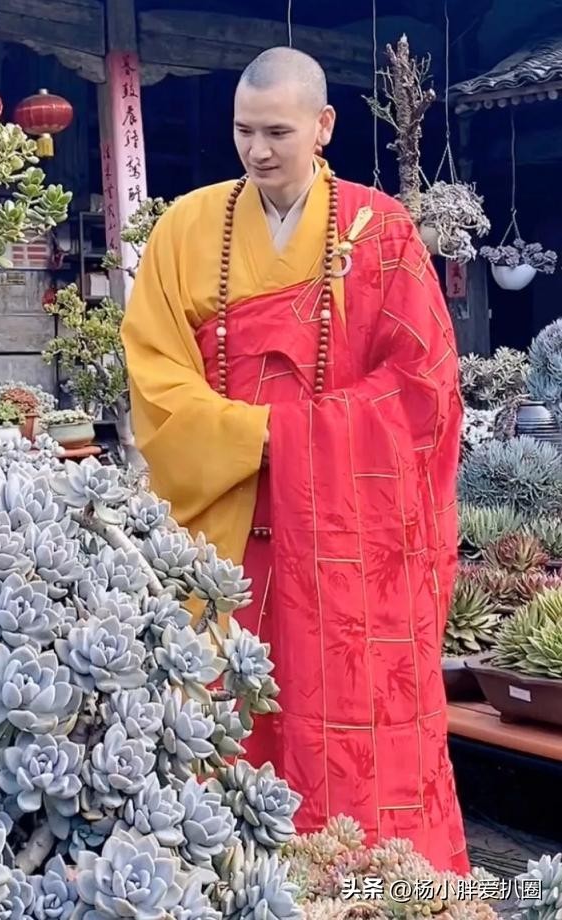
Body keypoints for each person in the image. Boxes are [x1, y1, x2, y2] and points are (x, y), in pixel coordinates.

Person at [120, 46, 469, 873]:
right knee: (229, 720)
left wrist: (294, 436)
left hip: (351, 541)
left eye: (277, 131)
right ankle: (234, 888)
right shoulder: (186, 228)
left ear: (323, 127)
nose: (257, 149)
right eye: (243, 130)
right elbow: (156, 374)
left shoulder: (379, 231)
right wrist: (256, 438)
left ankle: (378, 894)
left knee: (359, 735)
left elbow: (422, 384)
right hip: (230, 525)